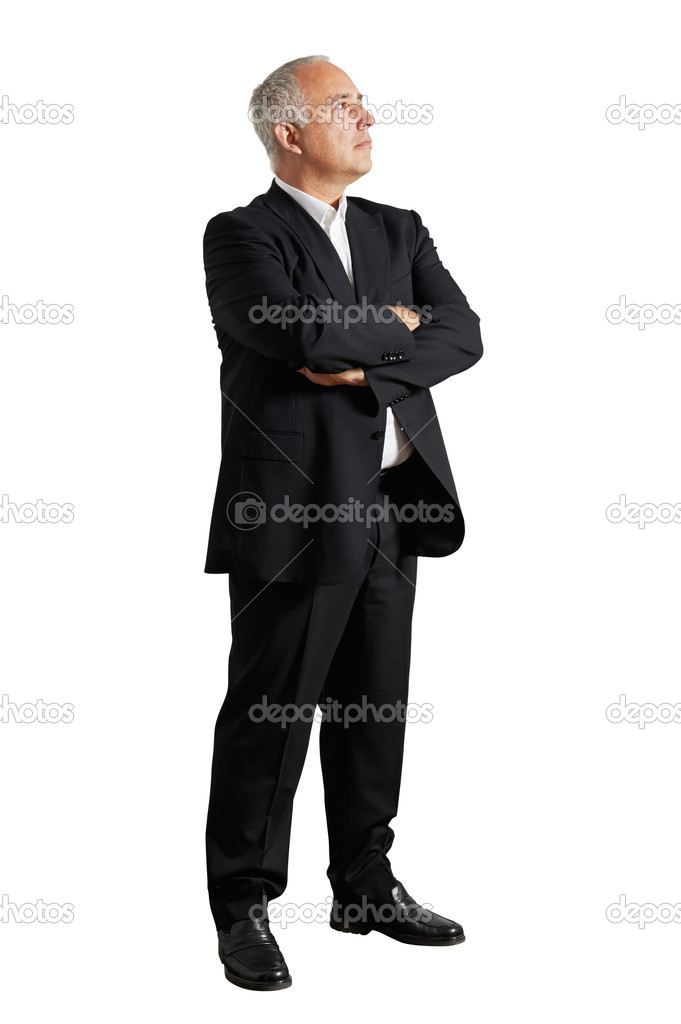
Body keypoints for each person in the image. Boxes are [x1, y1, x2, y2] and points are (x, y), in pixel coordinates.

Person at [203, 54, 483, 991]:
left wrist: (370, 353)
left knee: (374, 708)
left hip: (394, 508)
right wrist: (394, 329)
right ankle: (242, 903)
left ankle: (364, 883)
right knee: (271, 714)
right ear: (290, 131)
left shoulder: (400, 227)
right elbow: (296, 335)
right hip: (290, 509)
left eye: (365, 104)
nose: (367, 118)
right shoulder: (241, 235)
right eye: (344, 106)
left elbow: (464, 331)